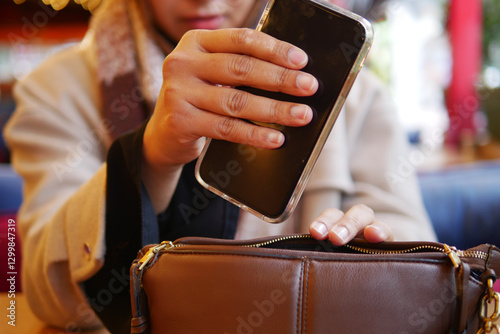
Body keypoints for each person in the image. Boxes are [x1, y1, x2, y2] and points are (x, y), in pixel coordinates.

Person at [4, 0, 437, 332]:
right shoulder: (55, 90)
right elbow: (47, 293)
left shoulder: (356, 92)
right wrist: (149, 157)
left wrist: (375, 265)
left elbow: (427, 282)